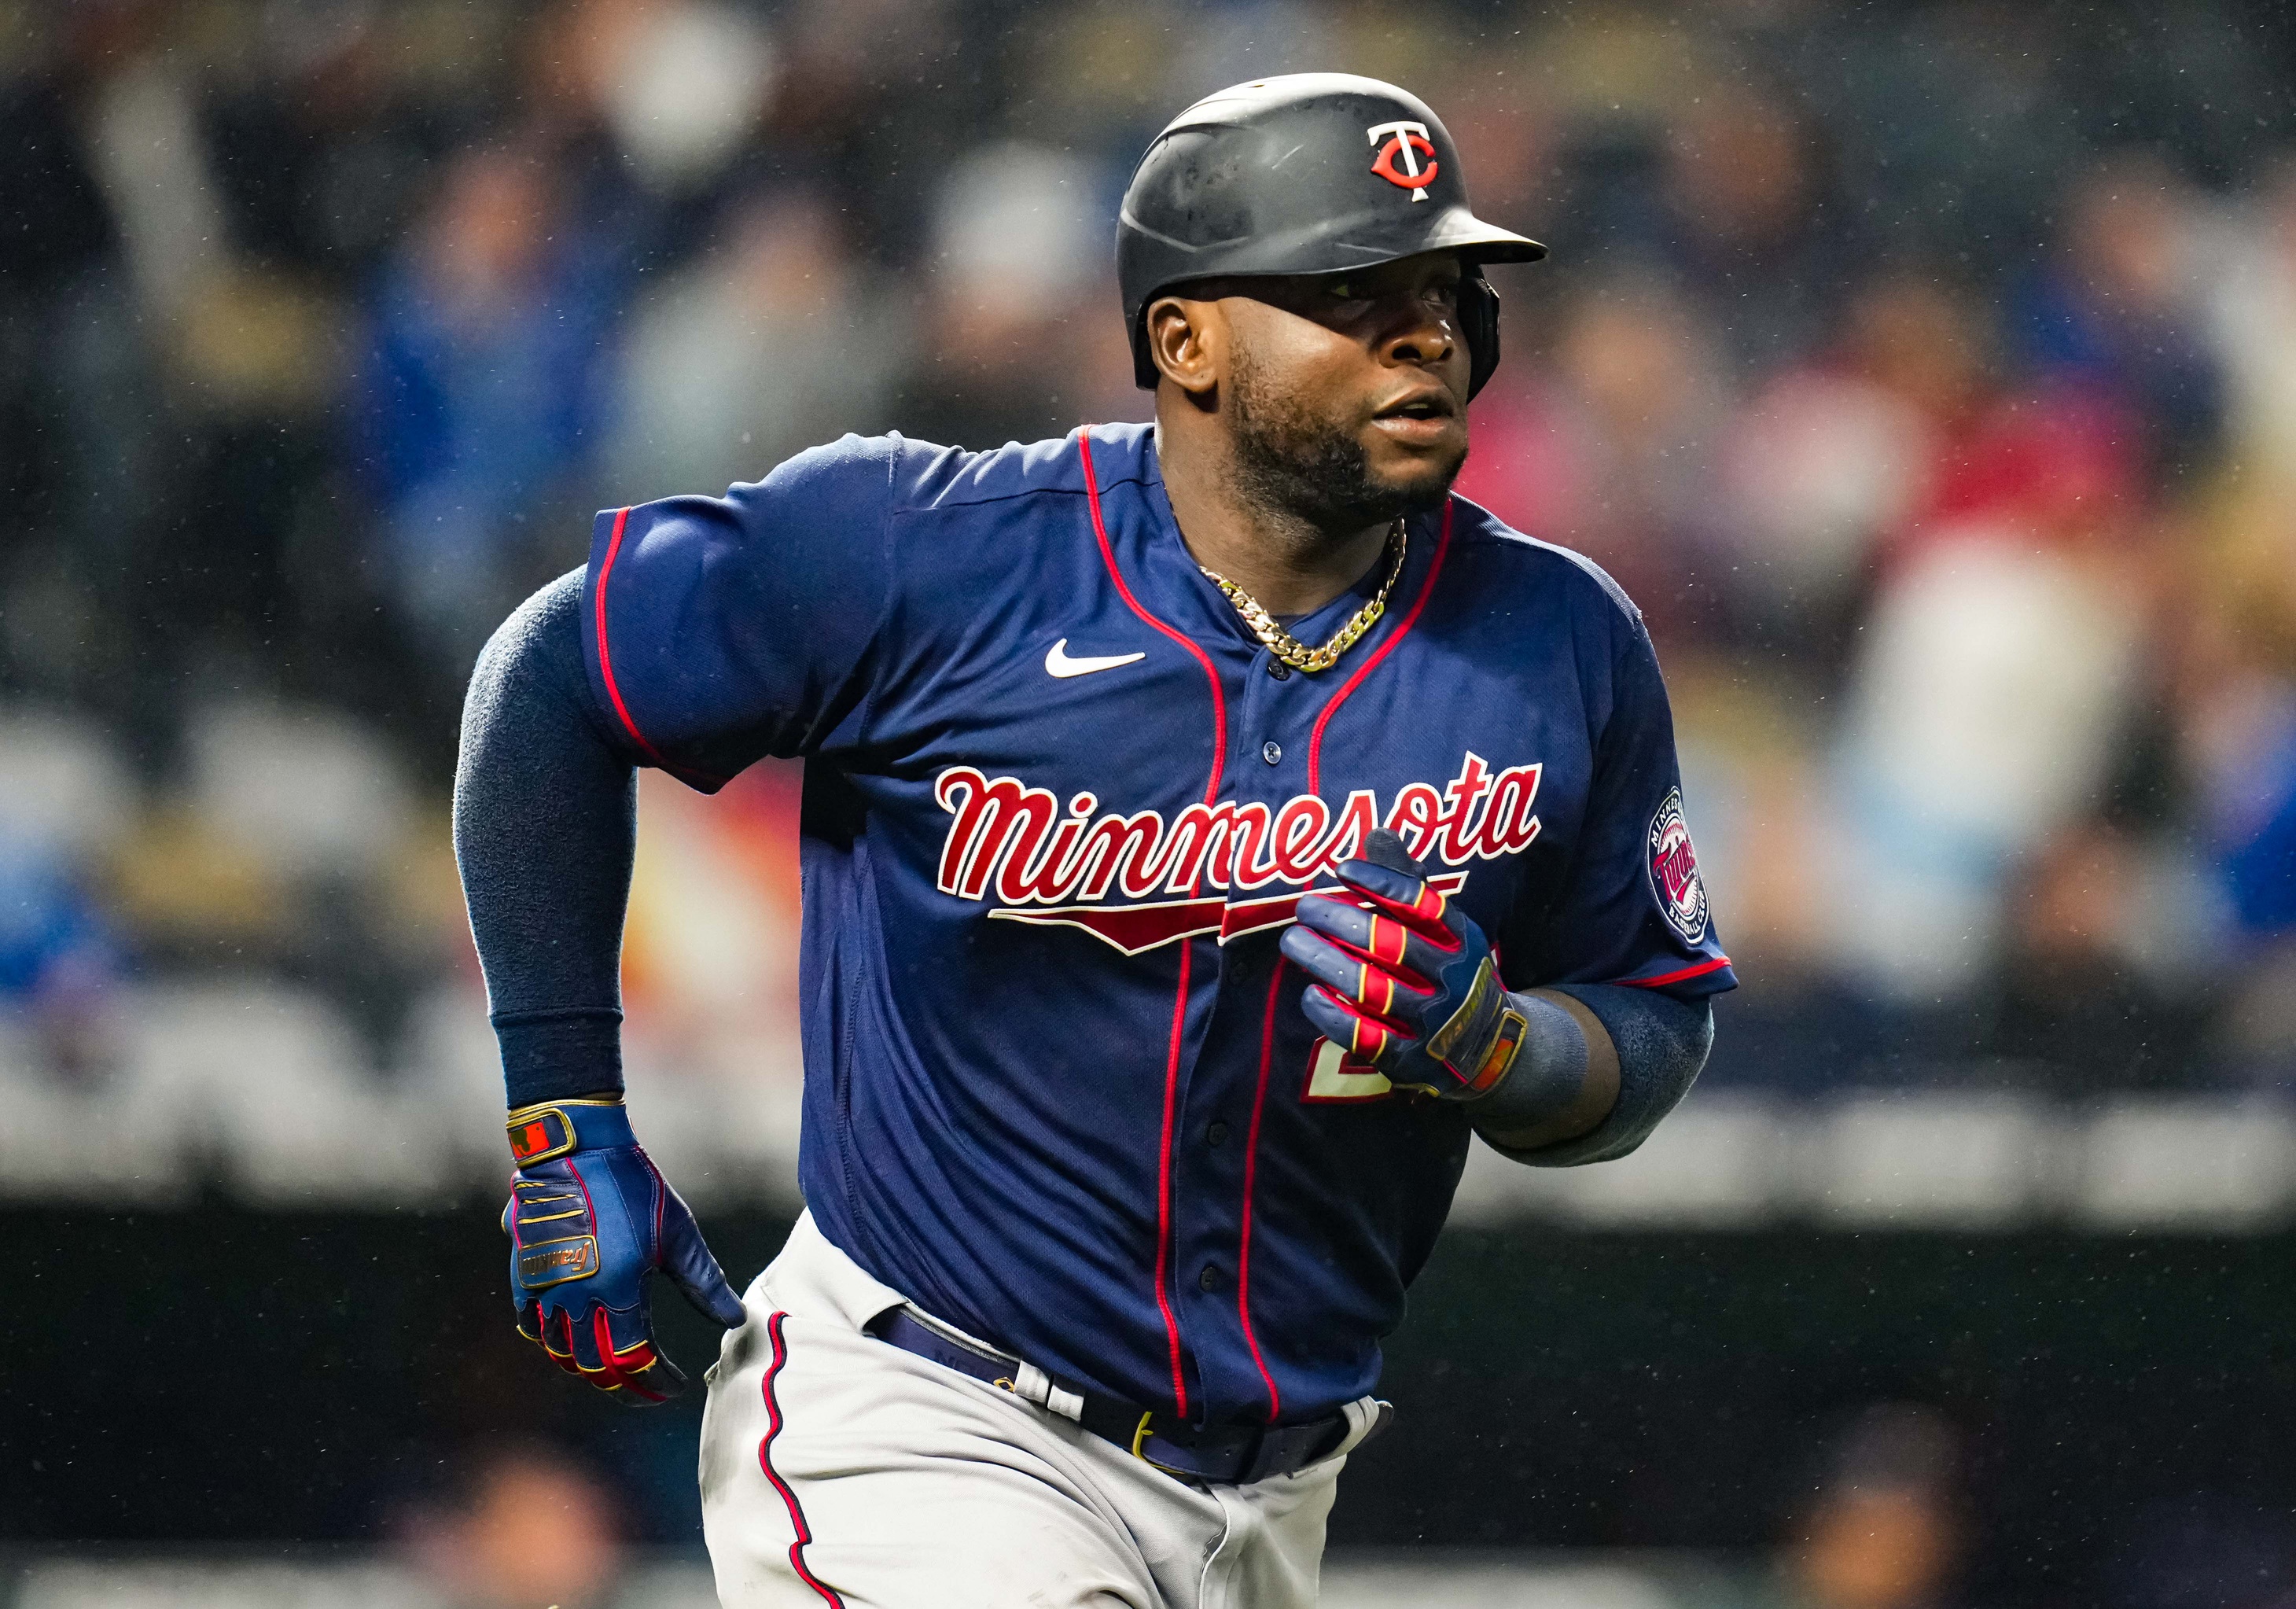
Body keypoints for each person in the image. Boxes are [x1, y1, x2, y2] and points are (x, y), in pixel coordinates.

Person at [454, 74, 1735, 1609]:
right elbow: (552, 674)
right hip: (931, 1424)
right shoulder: (926, 557)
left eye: (1444, 290)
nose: (1426, 334)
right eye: (1352, 292)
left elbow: (1647, 1026)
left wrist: (1498, 1046)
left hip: (1276, 1491)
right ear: (1182, 338)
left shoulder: (1556, 641)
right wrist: (561, 1114)